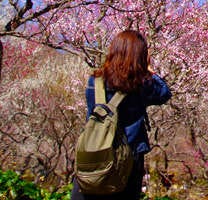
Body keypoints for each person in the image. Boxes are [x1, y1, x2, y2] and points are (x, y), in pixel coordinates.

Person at [71, 29, 171, 200]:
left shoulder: (94, 81)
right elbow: (164, 93)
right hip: (128, 159)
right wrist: (149, 69)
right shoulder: (141, 84)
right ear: (140, 55)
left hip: (95, 153)